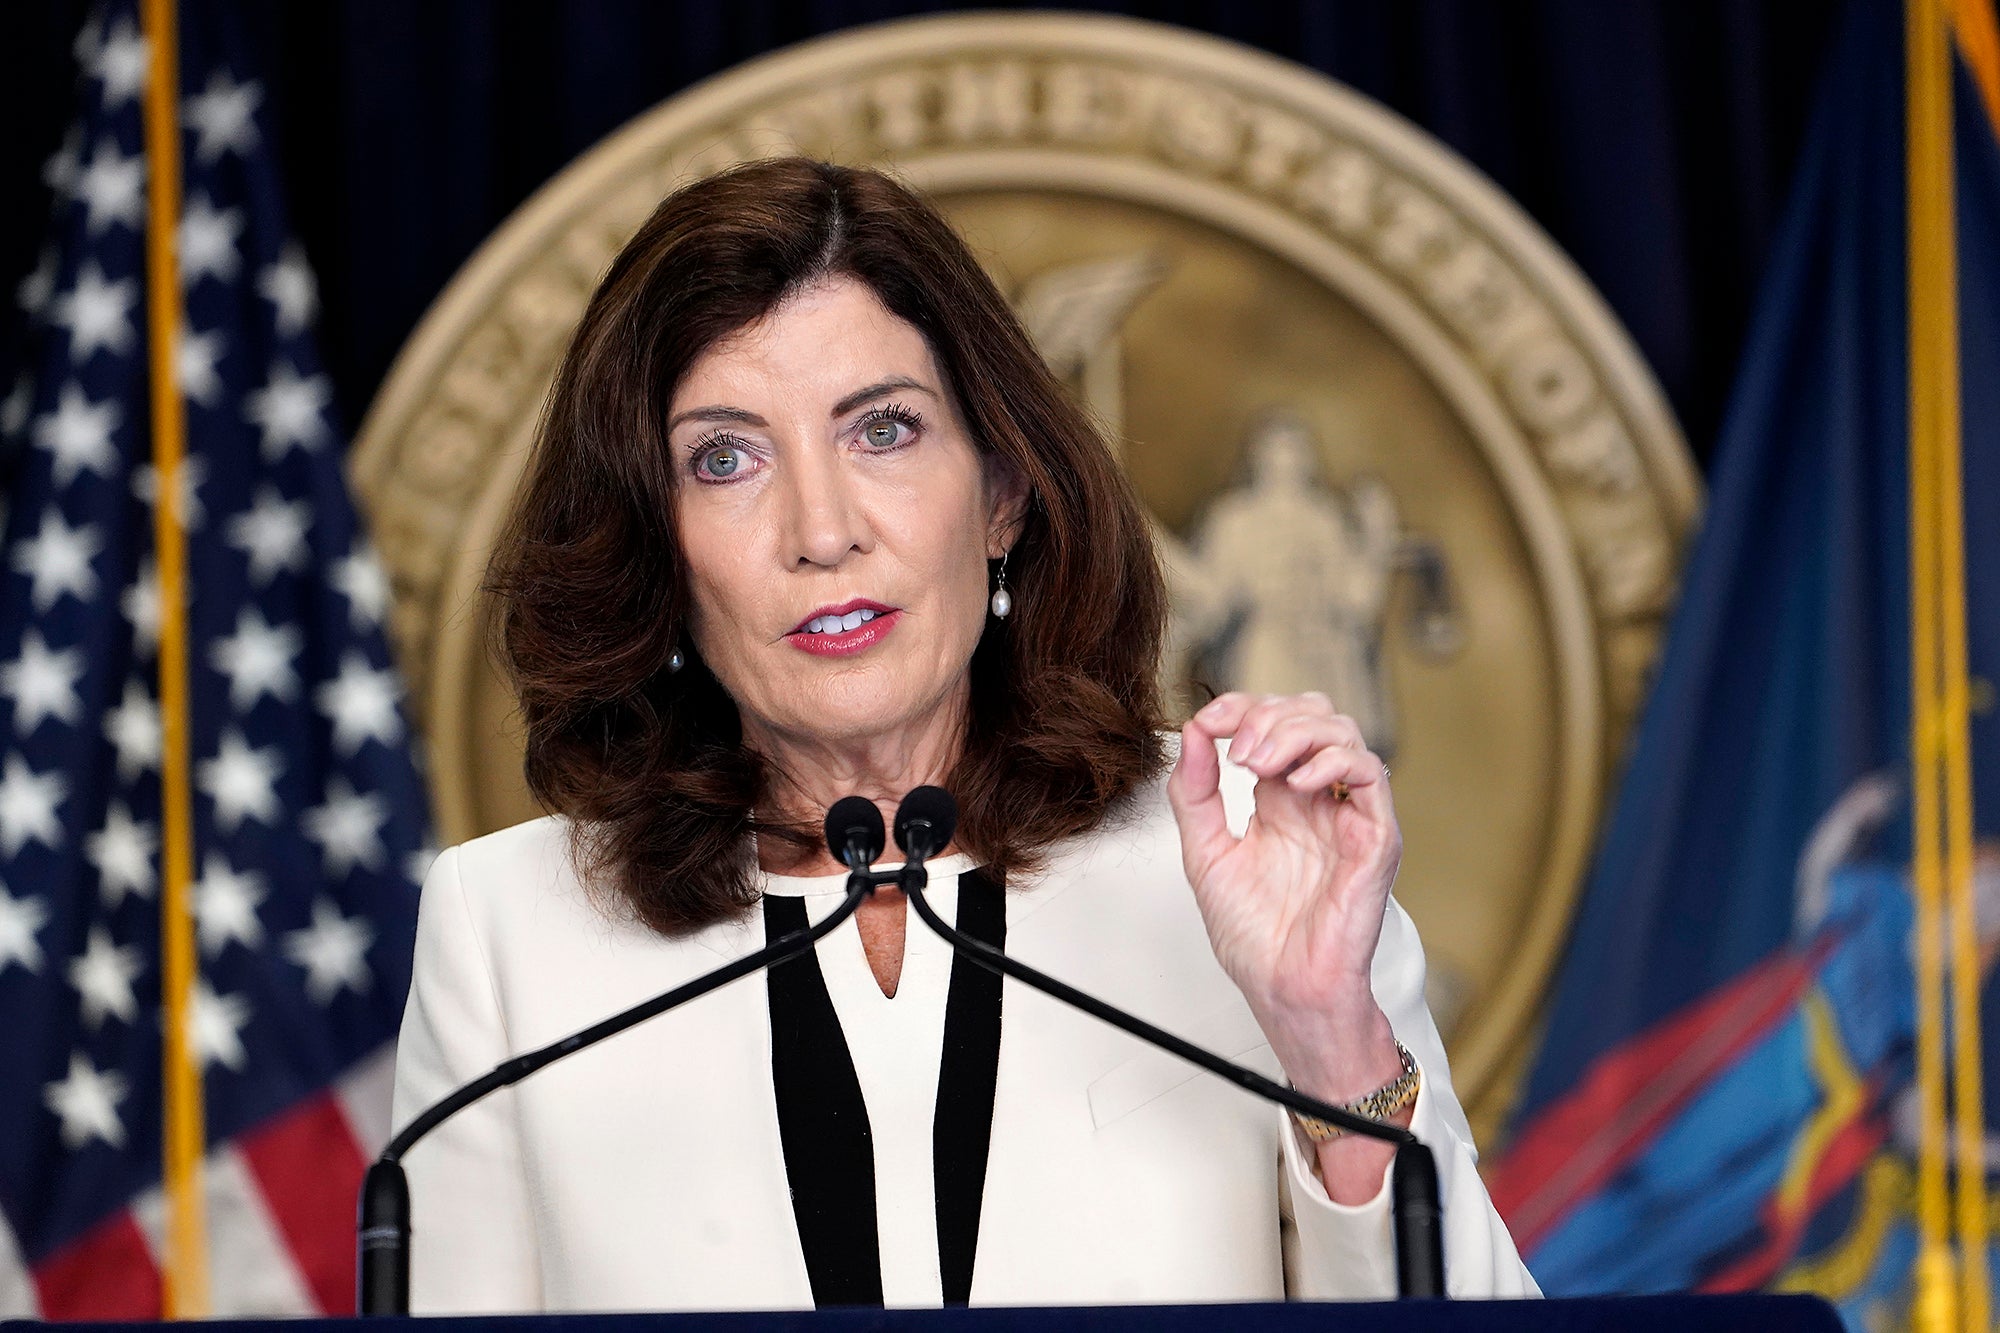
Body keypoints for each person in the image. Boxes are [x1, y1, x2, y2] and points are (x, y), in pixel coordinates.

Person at [391, 157, 1538, 1312]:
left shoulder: (1240, 855)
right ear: (655, 547)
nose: (821, 529)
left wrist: (1329, 1042)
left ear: (1000, 493)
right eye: (724, 458)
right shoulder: (509, 936)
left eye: (881, 430)